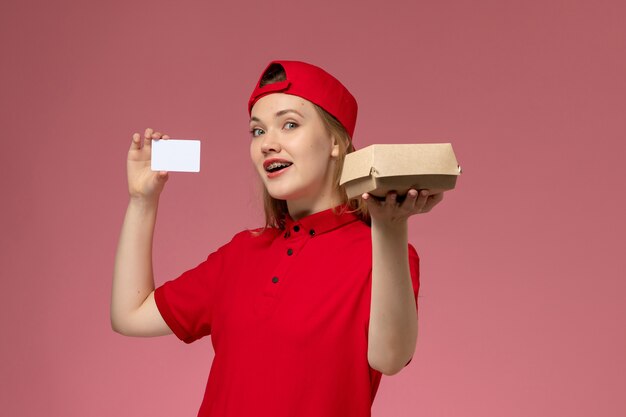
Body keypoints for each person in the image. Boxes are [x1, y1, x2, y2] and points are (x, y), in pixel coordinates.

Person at [111, 60, 444, 417]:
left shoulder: (383, 253)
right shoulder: (240, 254)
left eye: (289, 125)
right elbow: (130, 315)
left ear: (336, 141)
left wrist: (390, 228)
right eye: (257, 131)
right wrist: (142, 201)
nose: (268, 144)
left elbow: (389, 358)